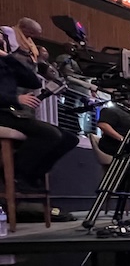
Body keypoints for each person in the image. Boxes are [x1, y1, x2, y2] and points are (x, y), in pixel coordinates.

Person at [0, 53, 77, 191]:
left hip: (13, 112)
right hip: (3, 112)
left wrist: (8, 57)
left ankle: (34, 174)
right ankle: (16, 174)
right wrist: (15, 99)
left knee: (70, 139)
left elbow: (33, 82)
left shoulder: (6, 64)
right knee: (49, 134)